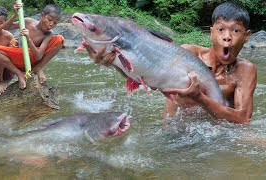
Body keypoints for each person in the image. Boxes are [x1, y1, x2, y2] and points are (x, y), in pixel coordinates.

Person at [83, 2, 257, 124]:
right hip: (174, 126)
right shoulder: (187, 53)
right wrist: (111, 61)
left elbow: (243, 119)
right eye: (221, 29)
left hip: (214, 132)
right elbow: (144, 76)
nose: (227, 36)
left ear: (246, 36)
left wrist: (200, 99)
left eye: (235, 30)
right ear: (211, 33)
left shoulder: (245, 70)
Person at [0, 3, 64, 90]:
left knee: (60, 39)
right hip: (21, 58)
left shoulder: (49, 34)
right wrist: (15, 14)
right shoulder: (28, 22)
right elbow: (5, 27)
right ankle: (19, 74)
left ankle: (38, 68)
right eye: (49, 20)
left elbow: (38, 56)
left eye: (55, 23)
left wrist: (28, 39)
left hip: (34, 60)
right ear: (43, 15)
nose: (51, 24)